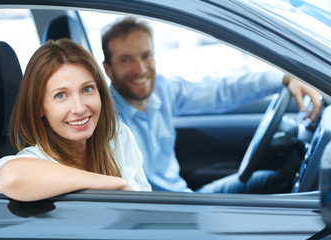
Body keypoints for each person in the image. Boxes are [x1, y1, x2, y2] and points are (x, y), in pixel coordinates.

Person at [101, 17, 322, 193]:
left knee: (277, 179)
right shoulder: (107, 121)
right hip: (166, 213)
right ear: (108, 69)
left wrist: (284, 78)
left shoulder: (163, 90)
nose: (140, 69)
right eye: (126, 60)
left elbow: (221, 90)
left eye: (146, 56)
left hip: (186, 197)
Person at [0, 38, 151, 202]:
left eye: (87, 89)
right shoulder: (35, 161)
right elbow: (8, 177)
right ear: (39, 107)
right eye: (61, 95)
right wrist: (114, 185)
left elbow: (147, 208)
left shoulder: (119, 137)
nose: (79, 108)